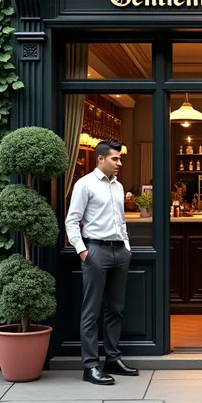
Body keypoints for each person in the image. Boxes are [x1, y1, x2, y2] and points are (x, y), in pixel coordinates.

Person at [65, 138, 139, 386]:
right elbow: (71, 221)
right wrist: (84, 252)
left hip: (119, 253)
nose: (119, 163)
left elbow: (121, 222)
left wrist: (127, 247)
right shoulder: (84, 185)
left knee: (115, 309)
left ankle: (112, 359)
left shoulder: (118, 186)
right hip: (96, 251)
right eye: (115, 158)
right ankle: (90, 366)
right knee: (91, 310)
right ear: (100, 159)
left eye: (120, 159)